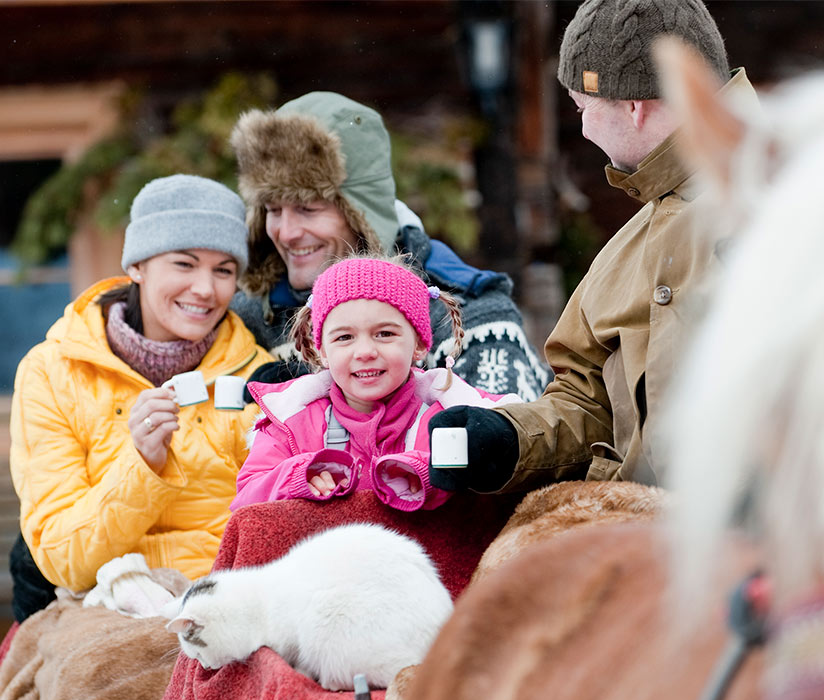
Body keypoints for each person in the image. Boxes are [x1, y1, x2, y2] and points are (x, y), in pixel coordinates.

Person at [429, 0, 756, 494]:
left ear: (632, 106)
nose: (581, 129)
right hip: (641, 531)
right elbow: (587, 400)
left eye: (583, 108)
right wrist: (508, 440)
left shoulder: (799, 206)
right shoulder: (630, 243)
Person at [9, 174, 274, 598]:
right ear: (136, 266)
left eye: (223, 270)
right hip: (104, 604)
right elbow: (63, 561)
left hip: (224, 600)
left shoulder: (259, 379)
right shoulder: (52, 371)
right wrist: (142, 466)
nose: (205, 289)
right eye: (184, 264)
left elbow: (273, 529)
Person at [229, 90, 552, 402]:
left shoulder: (470, 316)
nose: (286, 233)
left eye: (307, 209)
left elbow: (499, 449)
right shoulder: (247, 316)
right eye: (271, 210)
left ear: (362, 212)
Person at [232, 254, 520, 513]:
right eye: (344, 338)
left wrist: (432, 476)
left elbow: (508, 467)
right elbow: (246, 498)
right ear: (322, 351)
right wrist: (298, 477)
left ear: (419, 344)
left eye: (384, 334)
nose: (365, 352)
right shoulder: (293, 420)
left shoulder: (455, 415)